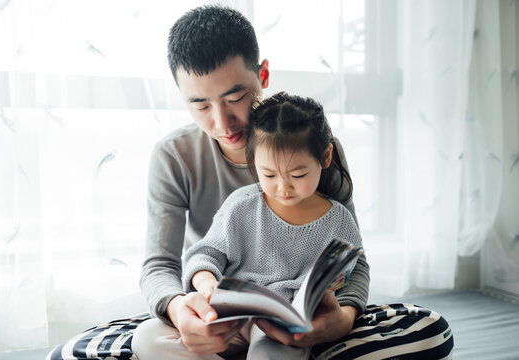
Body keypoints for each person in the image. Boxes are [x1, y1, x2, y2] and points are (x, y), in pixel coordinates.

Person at [46, 5, 453, 360]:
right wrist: (181, 310)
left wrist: (341, 320)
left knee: (430, 328)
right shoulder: (174, 156)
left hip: (293, 320)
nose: (222, 122)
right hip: (216, 315)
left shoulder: (314, 147)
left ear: (263, 74)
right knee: (115, 343)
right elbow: (160, 266)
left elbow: (352, 260)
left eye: (235, 96)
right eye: (200, 104)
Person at [135, 92, 365, 360]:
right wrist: (207, 284)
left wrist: (326, 300)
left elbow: (350, 272)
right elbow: (203, 254)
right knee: (148, 336)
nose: (283, 187)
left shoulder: (339, 220)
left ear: (325, 158)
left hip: (279, 327)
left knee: (276, 354)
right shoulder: (241, 205)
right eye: (268, 174)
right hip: (228, 315)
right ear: (253, 161)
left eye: (298, 175)